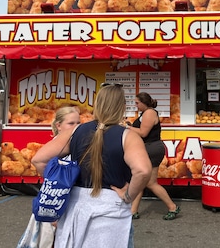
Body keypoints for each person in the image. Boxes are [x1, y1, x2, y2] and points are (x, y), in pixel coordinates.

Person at [31, 84, 152, 248]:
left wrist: (57, 189)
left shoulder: (75, 131)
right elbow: (143, 170)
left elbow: (39, 160)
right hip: (112, 208)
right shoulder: (128, 136)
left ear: (97, 104)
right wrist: (128, 195)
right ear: (122, 107)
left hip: (75, 206)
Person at [17, 106, 81, 248]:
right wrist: (52, 182)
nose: (76, 127)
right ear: (58, 125)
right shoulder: (58, 146)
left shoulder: (74, 143)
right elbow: (38, 161)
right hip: (55, 203)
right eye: (71, 123)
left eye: (78, 123)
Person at [125, 92, 181, 221]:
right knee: (141, 180)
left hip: (151, 149)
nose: (136, 105)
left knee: (150, 182)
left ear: (144, 102)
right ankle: (133, 211)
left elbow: (143, 133)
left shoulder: (150, 113)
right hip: (150, 148)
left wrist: (127, 127)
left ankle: (172, 207)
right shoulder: (146, 113)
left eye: (137, 103)